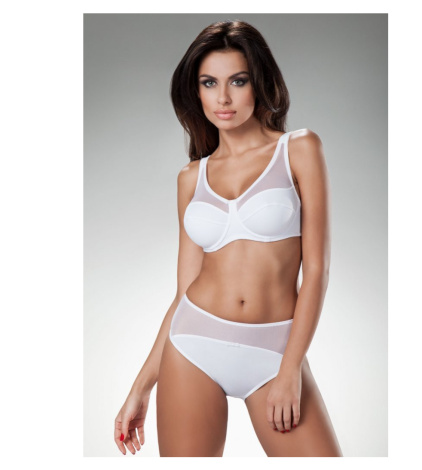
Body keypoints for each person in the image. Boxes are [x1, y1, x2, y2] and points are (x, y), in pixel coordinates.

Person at [114, 19, 342, 457]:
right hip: (192, 345)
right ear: (195, 91)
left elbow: (317, 270)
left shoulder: (298, 149)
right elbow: (183, 291)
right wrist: (141, 387)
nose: (223, 97)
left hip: (274, 352)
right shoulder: (190, 178)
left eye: (238, 81)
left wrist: (290, 369)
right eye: (209, 83)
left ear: (259, 83)